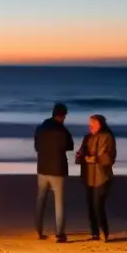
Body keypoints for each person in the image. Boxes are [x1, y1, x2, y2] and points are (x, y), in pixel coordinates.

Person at [34, 102, 74, 241]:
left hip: (43, 167)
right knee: (59, 202)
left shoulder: (40, 128)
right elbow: (70, 146)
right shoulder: (62, 131)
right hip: (58, 169)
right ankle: (60, 234)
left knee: (41, 200)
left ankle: (38, 230)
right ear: (63, 116)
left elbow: (37, 147)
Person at [77, 115, 116, 241]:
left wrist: (95, 159)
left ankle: (105, 231)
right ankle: (94, 232)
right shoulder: (87, 137)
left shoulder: (108, 137)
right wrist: (80, 156)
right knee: (90, 205)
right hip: (88, 175)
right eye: (89, 124)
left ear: (100, 124)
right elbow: (81, 154)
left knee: (98, 204)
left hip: (102, 177)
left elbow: (110, 158)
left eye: (93, 124)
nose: (90, 127)